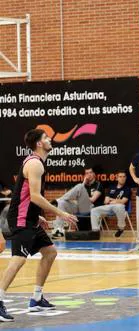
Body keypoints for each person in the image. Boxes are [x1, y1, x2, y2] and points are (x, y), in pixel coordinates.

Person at [0, 129, 77, 322]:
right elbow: (34, 196)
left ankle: (36, 298)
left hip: (30, 217)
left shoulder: (37, 162)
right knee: (18, 259)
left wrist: (38, 215)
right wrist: (61, 213)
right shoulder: (35, 164)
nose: (50, 139)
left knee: (50, 252)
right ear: (39, 144)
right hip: (20, 218)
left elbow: (29, 195)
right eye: (45, 138)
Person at [51, 166, 104, 238]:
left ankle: (58, 200)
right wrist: (83, 184)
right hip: (80, 207)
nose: (89, 175)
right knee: (61, 203)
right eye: (87, 173)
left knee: (79, 186)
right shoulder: (84, 185)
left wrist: (81, 191)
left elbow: (92, 199)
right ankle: (58, 230)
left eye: (90, 172)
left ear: (94, 174)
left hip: (92, 208)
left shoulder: (98, 184)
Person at [90, 171, 131, 237]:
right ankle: (95, 232)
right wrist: (115, 201)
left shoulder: (127, 189)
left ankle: (121, 228)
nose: (122, 178)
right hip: (109, 207)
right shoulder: (111, 187)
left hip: (120, 208)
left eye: (124, 177)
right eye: (120, 177)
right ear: (117, 178)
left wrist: (112, 200)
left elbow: (123, 201)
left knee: (119, 206)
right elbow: (106, 201)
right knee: (94, 210)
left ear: (126, 178)